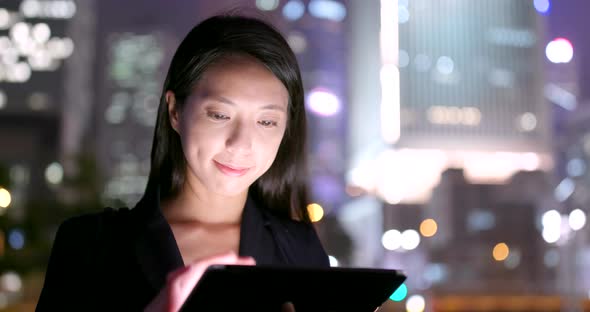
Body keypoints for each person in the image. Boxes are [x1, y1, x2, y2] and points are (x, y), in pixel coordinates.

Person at [36, 13, 329, 311]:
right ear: (175, 111)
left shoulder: (299, 249)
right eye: (219, 115)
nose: (241, 143)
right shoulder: (90, 245)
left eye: (266, 122)